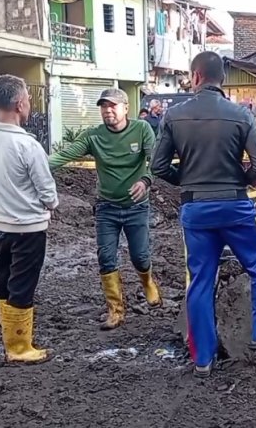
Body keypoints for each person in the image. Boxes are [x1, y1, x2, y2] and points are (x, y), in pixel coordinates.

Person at [150, 51, 256, 378]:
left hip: (196, 209)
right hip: (236, 207)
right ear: (221, 79)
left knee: (199, 282)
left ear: (195, 76)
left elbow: (157, 167)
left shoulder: (173, 116)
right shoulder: (241, 115)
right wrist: (243, 180)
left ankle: (202, 360)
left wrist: (187, 182)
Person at [47, 88, 162, 330]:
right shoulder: (93, 136)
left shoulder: (141, 129)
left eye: (113, 105)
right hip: (106, 207)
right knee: (106, 257)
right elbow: (65, 155)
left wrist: (146, 181)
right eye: (103, 106)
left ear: (125, 108)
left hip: (137, 207)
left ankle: (148, 282)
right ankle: (115, 310)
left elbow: (156, 161)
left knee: (139, 256)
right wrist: (35, 165)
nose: (108, 110)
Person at [0, 75, 58, 363]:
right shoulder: (28, 145)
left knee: (4, 280)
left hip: (0, 223)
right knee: (23, 283)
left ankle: (10, 340)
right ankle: (20, 348)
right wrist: (51, 204)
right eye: (29, 99)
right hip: (29, 226)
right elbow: (46, 187)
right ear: (20, 103)